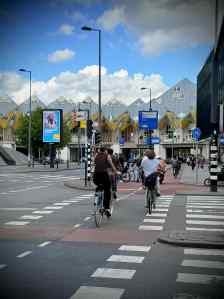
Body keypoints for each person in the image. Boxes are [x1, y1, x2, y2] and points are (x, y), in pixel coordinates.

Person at [93, 147, 118, 217]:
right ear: (105, 151)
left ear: (99, 151)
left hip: (96, 176)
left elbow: (94, 164)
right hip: (104, 175)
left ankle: (96, 199)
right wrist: (116, 171)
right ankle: (107, 208)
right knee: (107, 190)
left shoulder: (96, 155)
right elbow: (111, 165)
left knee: (98, 186)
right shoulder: (107, 156)